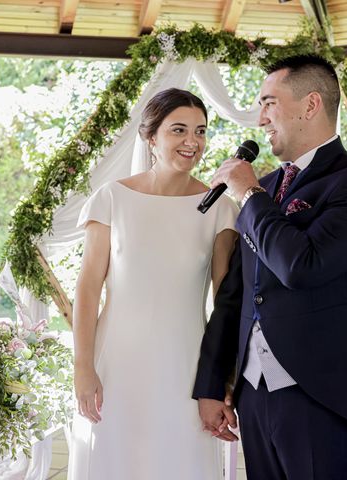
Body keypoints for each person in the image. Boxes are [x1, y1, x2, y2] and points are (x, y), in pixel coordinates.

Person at [193, 55, 347, 479]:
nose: (260, 117)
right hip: (254, 395)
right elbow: (237, 294)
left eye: (269, 102)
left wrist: (249, 196)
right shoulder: (264, 188)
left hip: (327, 398)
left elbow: (302, 265)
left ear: (310, 105)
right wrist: (212, 385)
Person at [69, 88, 239, 480]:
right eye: (178, 130)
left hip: (186, 367)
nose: (191, 142)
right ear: (151, 138)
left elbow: (224, 302)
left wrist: (223, 380)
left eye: (200, 131)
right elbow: (88, 289)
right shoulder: (112, 198)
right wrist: (83, 368)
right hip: (117, 364)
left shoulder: (221, 210)